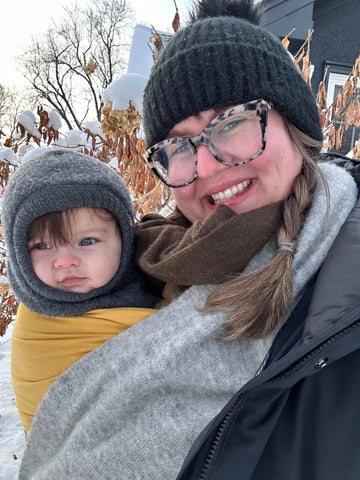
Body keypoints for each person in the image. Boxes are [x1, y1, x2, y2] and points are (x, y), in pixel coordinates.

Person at [17, 0, 360, 479]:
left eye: (233, 123)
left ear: (295, 125)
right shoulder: (153, 269)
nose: (206, 167)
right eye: (179, 146)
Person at [1, 149, 157, 432]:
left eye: (86, 241)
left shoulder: (160, 275)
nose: (64, 261)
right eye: (42, 246)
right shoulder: (41, 337)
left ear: (124, 238)